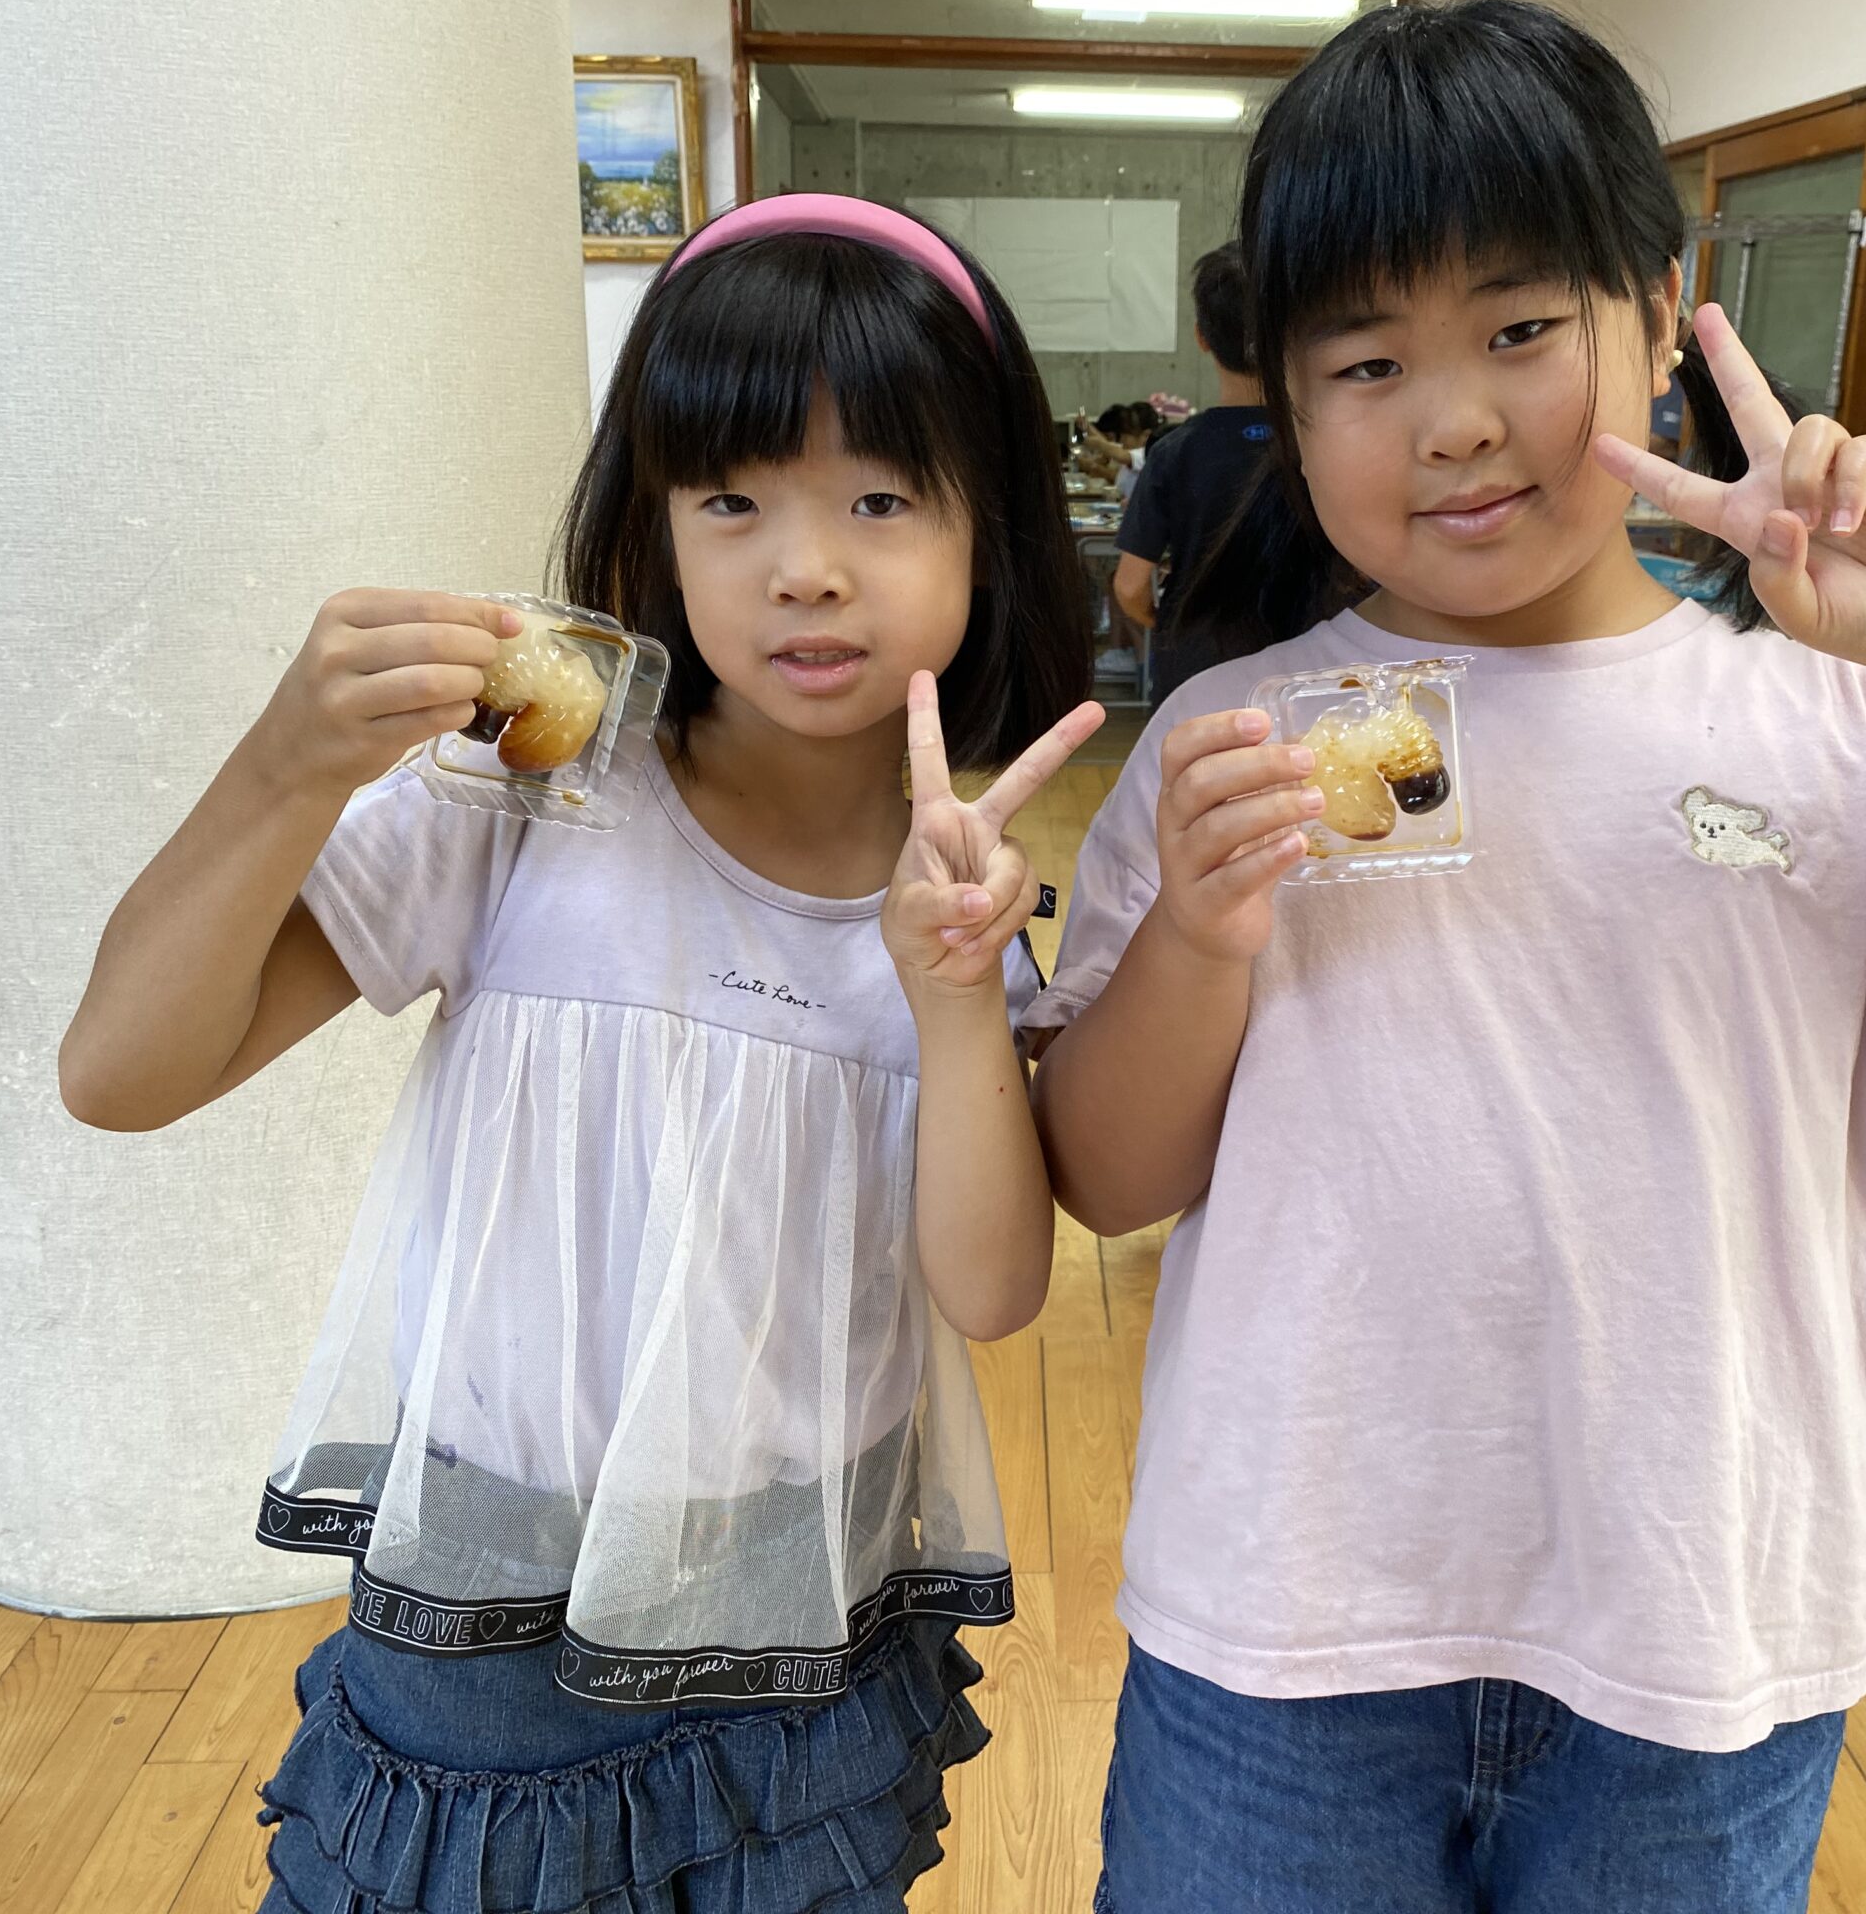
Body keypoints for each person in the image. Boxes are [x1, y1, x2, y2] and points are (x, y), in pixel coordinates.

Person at [1024, 4, 1866, 1913]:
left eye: (1519, 329)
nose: (1455, 419)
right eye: (1369, 364)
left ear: (1660, 321)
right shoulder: (1229, 746)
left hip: (1705, 1634)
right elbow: (1107, 1179)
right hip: (1286, 1622)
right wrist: (1199, 941)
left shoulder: (1844, 722)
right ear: (1289, 403)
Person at [58, 195, 1104, 1914]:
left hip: (797, 1607)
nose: (806, 566)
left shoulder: (958, 900)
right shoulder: (526, 802)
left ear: (989, 530)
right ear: (653, 525)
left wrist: (953, 994)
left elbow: (990, 1295)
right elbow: (120, 1072)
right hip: (487, 1594)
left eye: (882, 499)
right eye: (732, 499)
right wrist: (286, 764)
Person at [1113, 242, 1276, 699]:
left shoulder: (1173, 451)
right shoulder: (1322, 445)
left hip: (1197, 663)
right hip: (1312, 666)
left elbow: (1130, 587)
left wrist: (1169, 627)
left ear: (1202, 337)